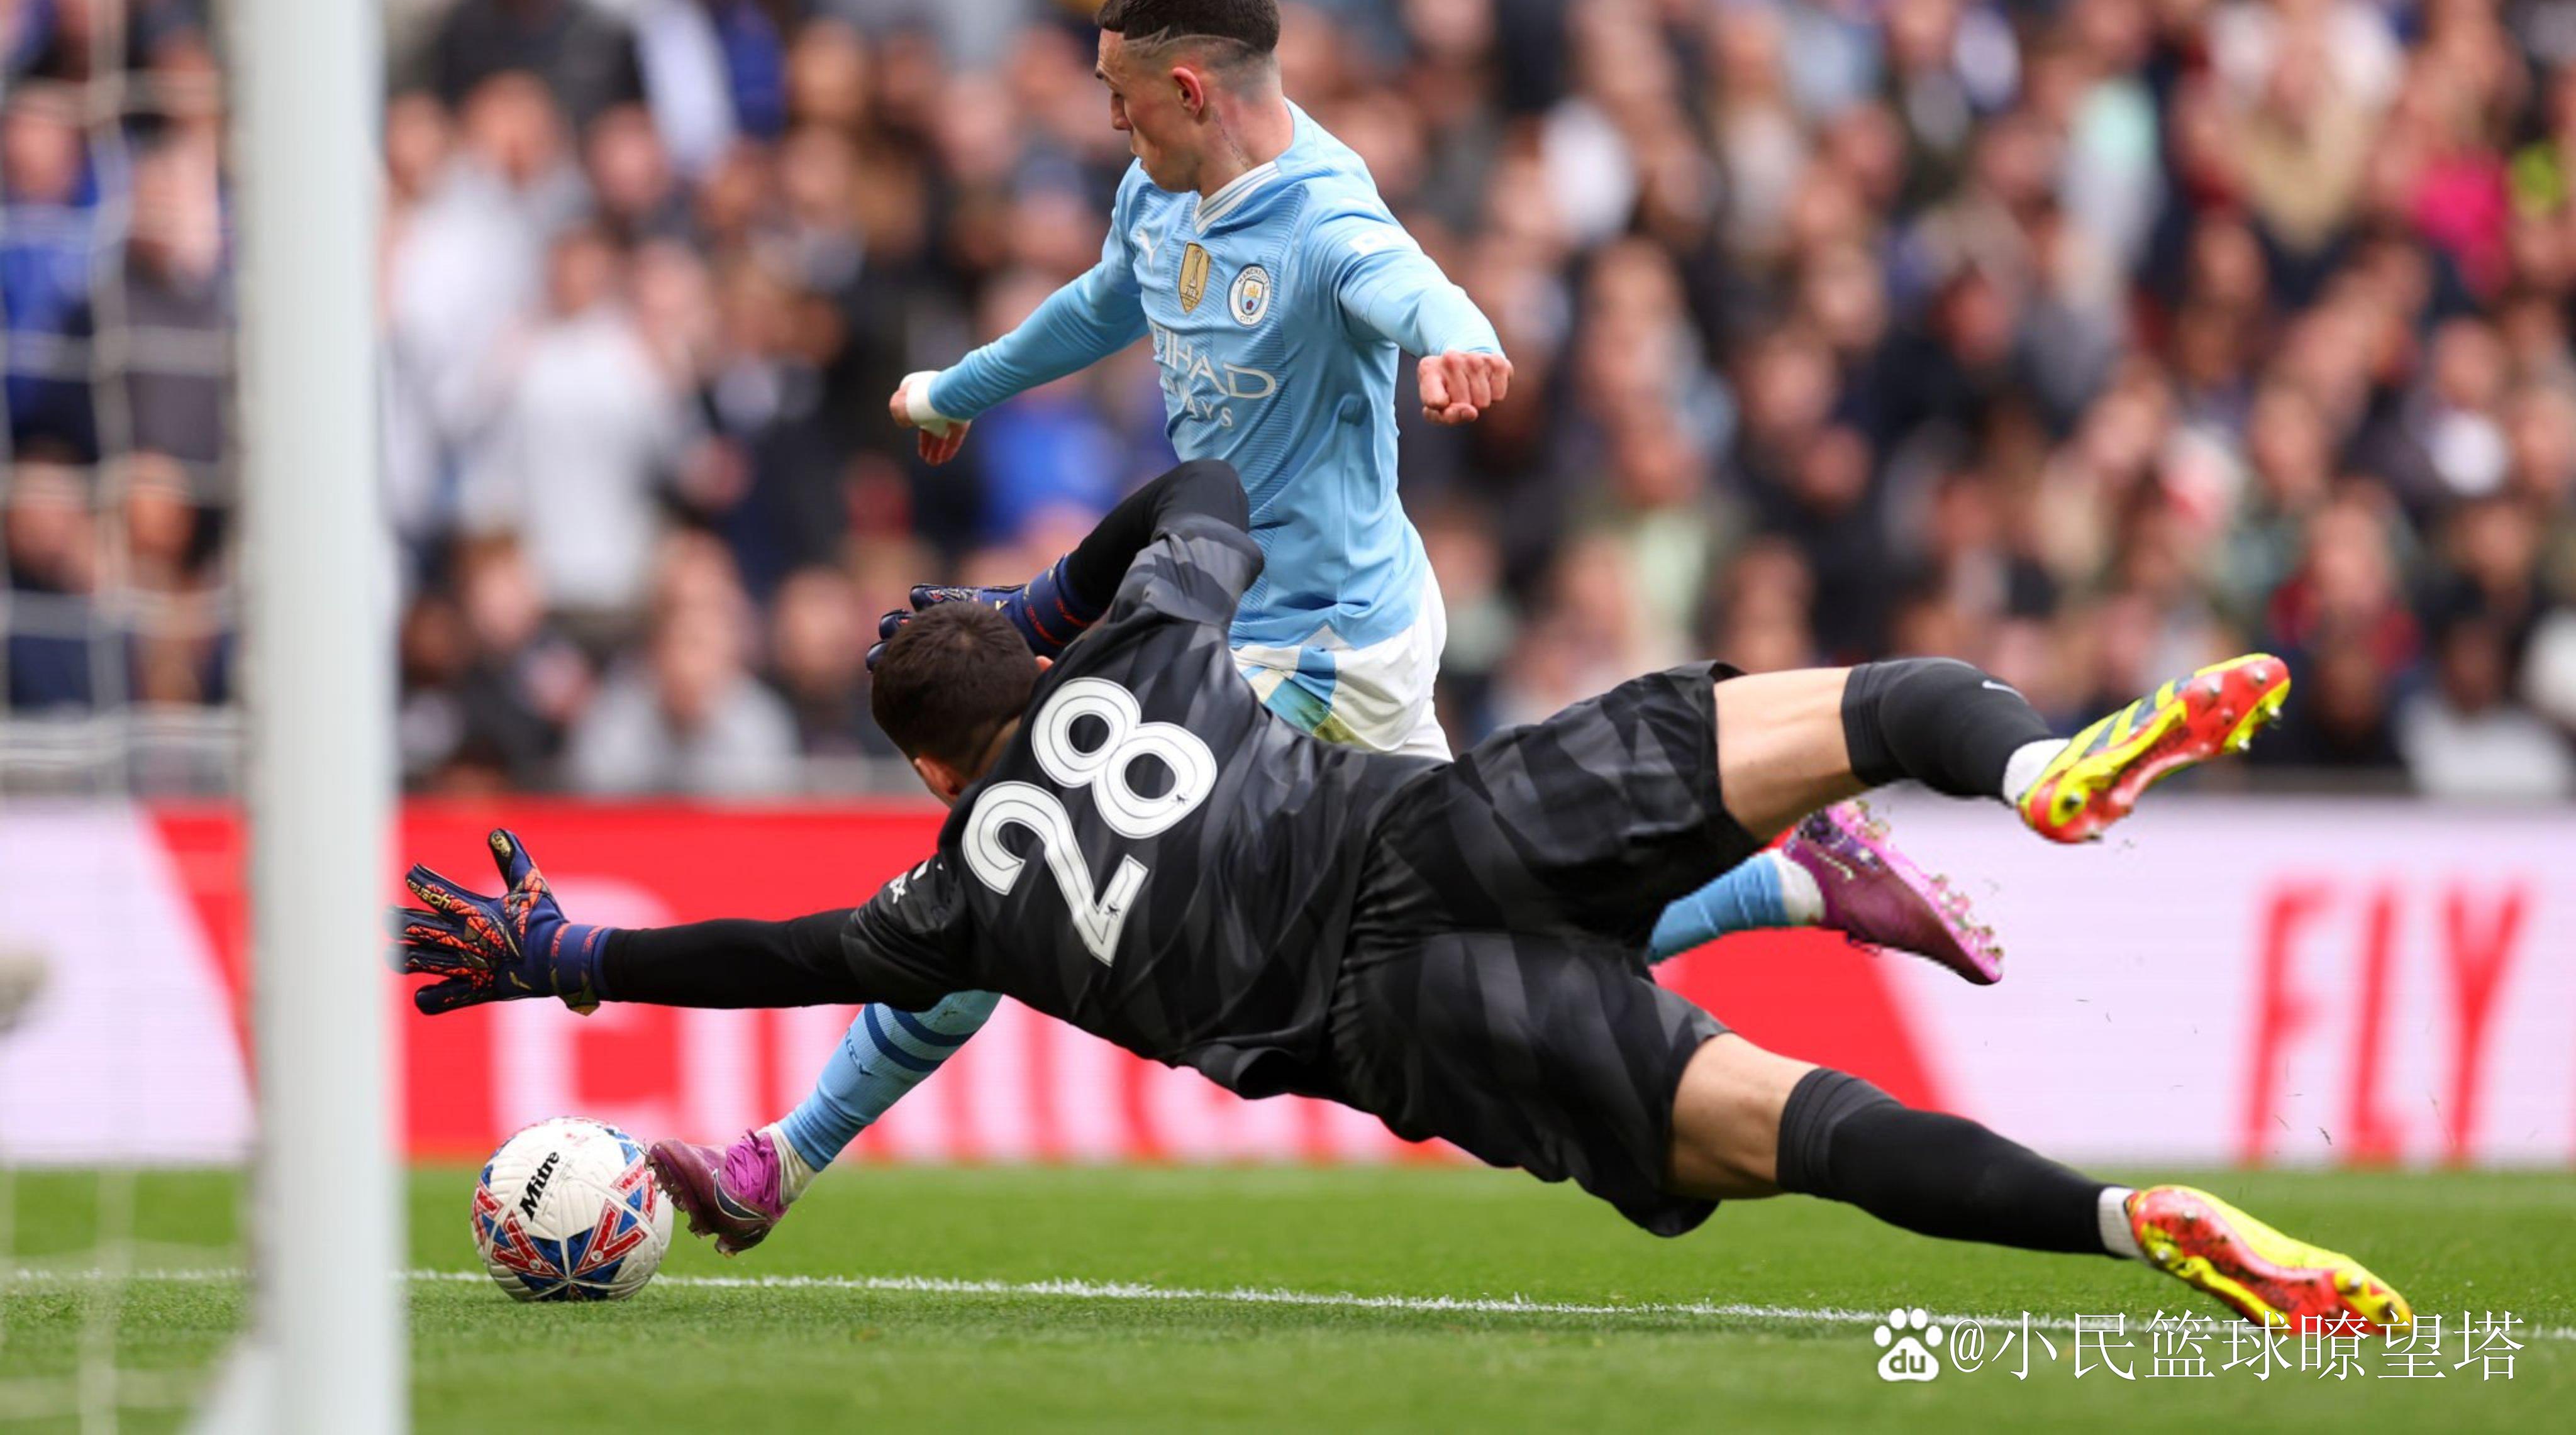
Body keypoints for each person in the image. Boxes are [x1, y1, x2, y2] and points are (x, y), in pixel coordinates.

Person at [387, 461, 2404, 1335]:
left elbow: (776, 954)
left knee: (1797, 1133)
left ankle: (2131, 1226)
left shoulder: (956, 899)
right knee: (1860, 703)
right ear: (1026, 673)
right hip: (1447, 833)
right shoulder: (1148, 652)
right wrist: (1052, 599)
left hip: (1402, 1026)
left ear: (932, 771)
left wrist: (572, 958)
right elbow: (1203, 506)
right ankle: (2038, 767)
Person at [713, 0, 2000, 1235]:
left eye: (1118, 95)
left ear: (1185, 86)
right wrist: (962, 388)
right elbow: (1109, 300)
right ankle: (1794, 880)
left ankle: (786, 1151)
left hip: (1332, 636)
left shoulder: (1325, 214)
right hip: (1254, 619)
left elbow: (1409, 283)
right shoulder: (1157, 194)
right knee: (1508, 928)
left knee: (1026, 837)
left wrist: (1457, 340)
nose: (1108, 119)